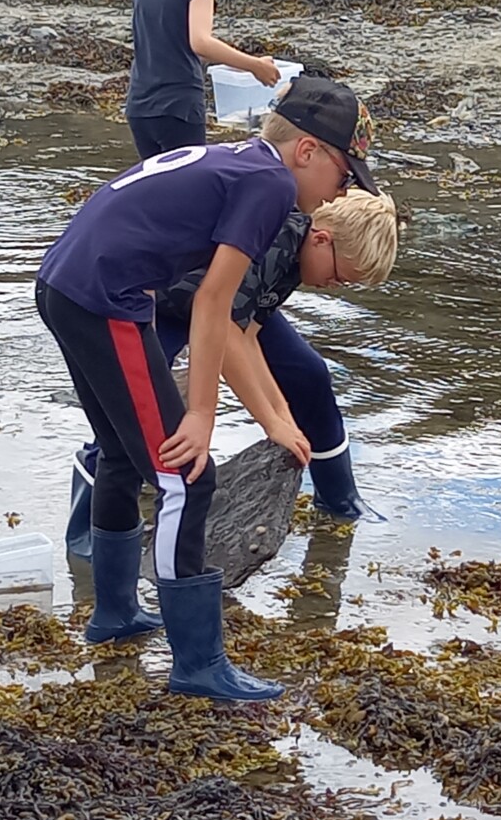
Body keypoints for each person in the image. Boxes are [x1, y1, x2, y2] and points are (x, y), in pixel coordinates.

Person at [37, 75, 379, 701]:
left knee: (122, 457)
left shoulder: (245, 161)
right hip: (105, 298)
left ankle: (114, 615)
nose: (342, 189)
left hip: (70, 282)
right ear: (307, 151)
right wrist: (201, 415)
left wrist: (271, 416)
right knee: (187, 477)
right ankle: (198, 664)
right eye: (343, 173)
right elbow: (212, 305)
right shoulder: (272, 185)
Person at [66, 189, 400, 560]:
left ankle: (340, 498)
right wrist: (269, 423)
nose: (335, 287)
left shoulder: (298, 261)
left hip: (213, 309)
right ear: (321, 240)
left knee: (309, 372)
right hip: (162, 300)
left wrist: (283, 417)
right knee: (135, 406)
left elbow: (248, 335)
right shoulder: (276, 243)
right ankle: (85, 530)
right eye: (338, 277)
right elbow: (225, 339)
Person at [125, 0, 280, 158]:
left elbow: (169, 41)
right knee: (189, 181)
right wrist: (255, 66)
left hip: (140, 108)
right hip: (179, 108)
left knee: (157, 181)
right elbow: (200, 42)